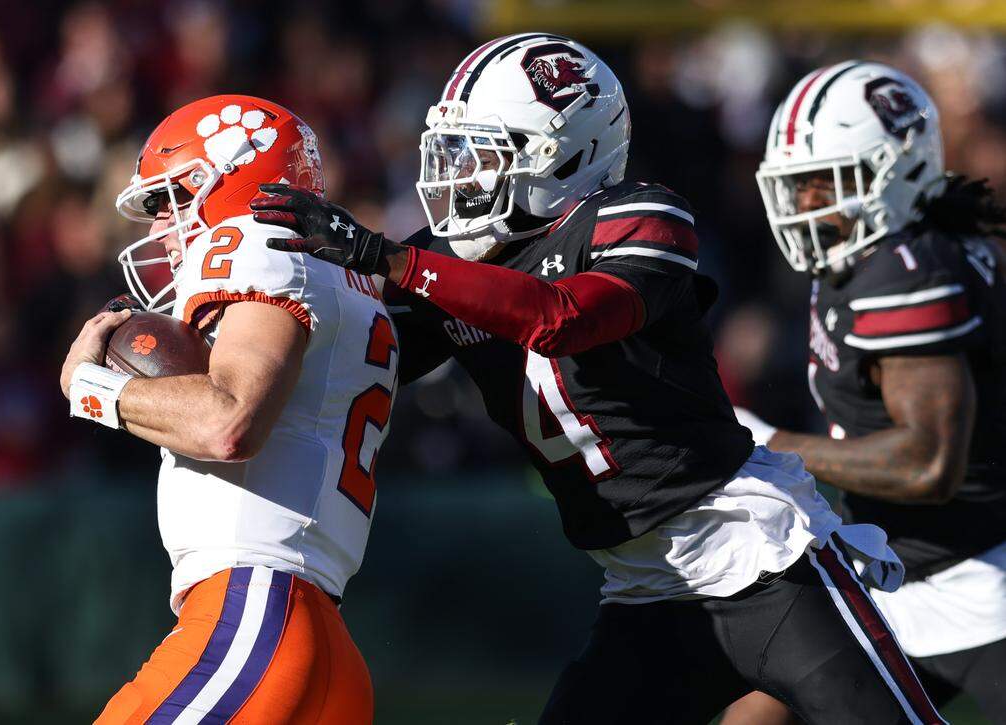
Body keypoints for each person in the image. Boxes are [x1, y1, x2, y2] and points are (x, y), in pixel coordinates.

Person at [251, 35, 944, 724]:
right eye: (454, 151)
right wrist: (244, 321)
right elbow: (359, 369)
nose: (457, 174)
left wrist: (391, 259)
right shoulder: (444, 259)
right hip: (644, 586)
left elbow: (562, 317)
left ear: (563, 153)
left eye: (483, 151)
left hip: (758, 558)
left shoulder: (638, 216)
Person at [60, 95, 393, 724]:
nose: (159, 229)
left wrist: (88, 386)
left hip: (254, 613)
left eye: (168, 203)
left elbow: (228, 421)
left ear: (230, 180)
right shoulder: (348, 275)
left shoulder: (259, 240)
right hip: (308, 629)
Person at [728, 61, 1006, 723]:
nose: (803, 204)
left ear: (897, 171)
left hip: (981, 577)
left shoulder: (906, 269)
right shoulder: (872, 250)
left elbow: (926, 463)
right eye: (796, 186)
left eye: (822, 182)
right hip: (888, 567)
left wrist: (769, 444)